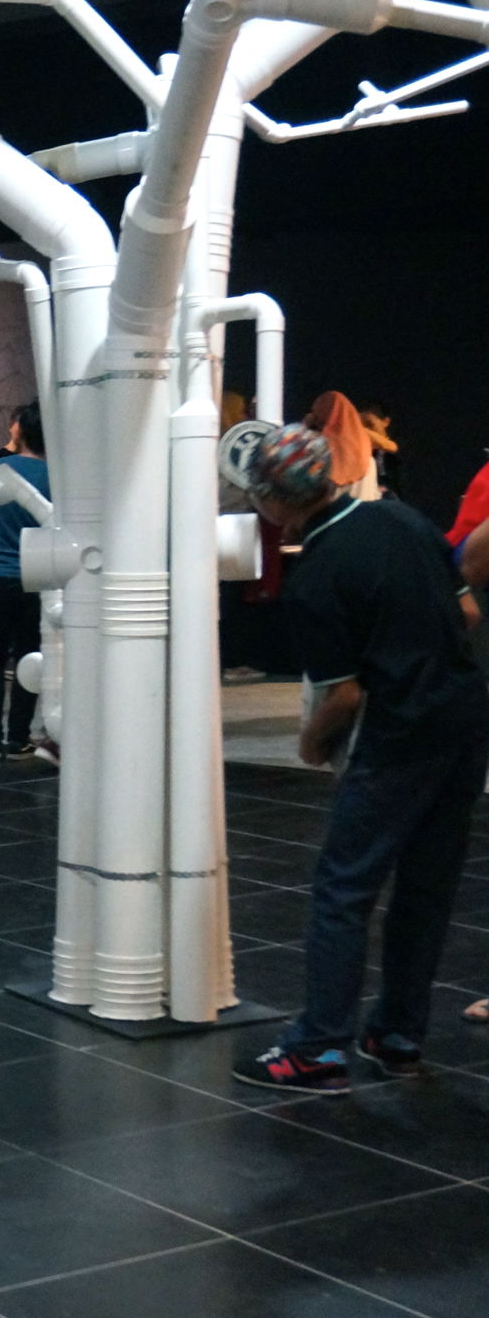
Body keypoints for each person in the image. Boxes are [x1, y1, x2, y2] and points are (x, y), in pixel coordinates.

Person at [230, 423, 488, 1094]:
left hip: (397, 738)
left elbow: (342, 694)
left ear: (273, 501)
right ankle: (398, 1036)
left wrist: (312, 743)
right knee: (426, 889)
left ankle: (318, 1047)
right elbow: (466, 614)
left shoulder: (317, 573)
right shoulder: (402, 518)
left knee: (345, 889)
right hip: (463, 724)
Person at [0, 402, 48, 759]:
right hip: (36, 579)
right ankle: (18, 737)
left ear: (21, 430)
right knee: (29, 657)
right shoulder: (55, 476)